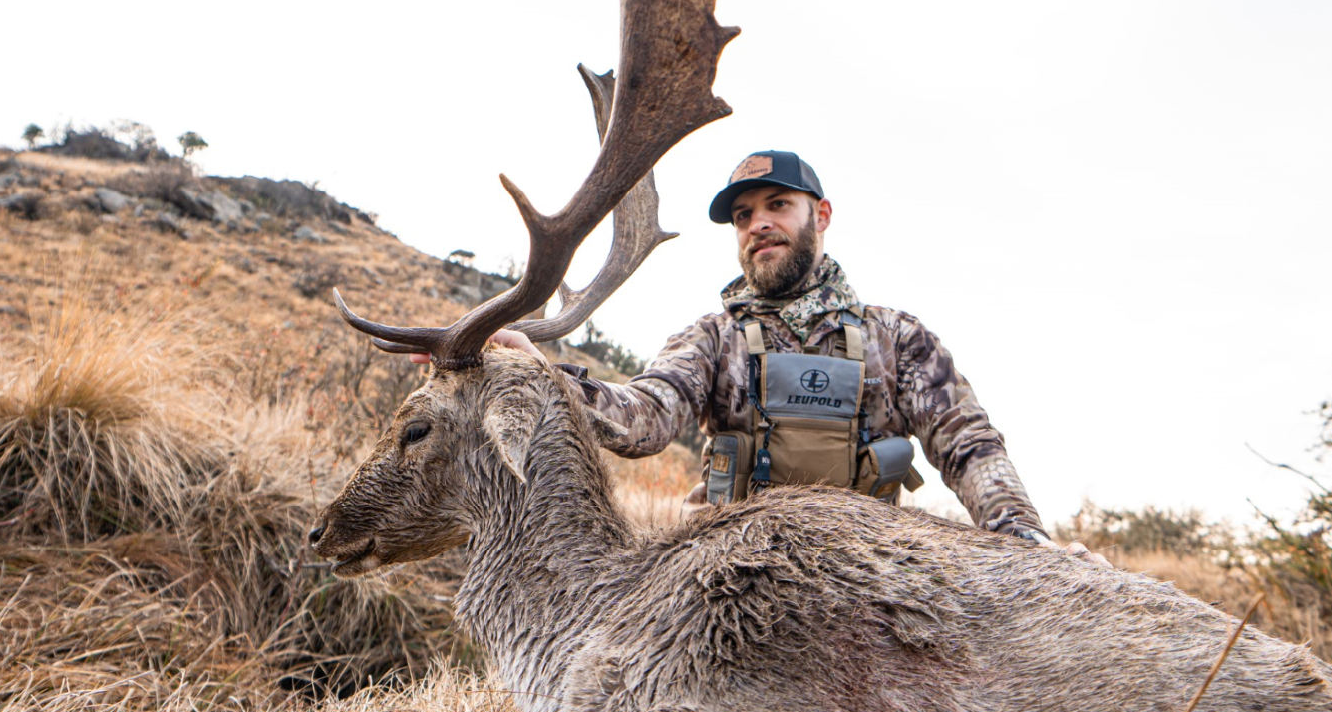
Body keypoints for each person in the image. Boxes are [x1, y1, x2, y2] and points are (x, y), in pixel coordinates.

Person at [448, 150, 1089, 554]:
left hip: (868, 570)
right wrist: (542, 376)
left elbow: (969, 444)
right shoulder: (711, 338)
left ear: (822, 215)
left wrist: (1021, 539)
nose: (758, 223)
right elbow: (645, 415)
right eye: (744, 214)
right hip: (724, 571)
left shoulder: (899, 339)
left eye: (778, 205)